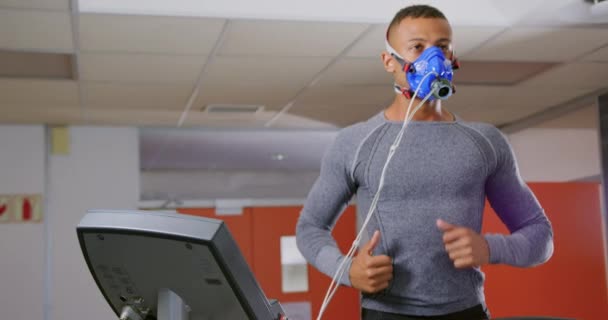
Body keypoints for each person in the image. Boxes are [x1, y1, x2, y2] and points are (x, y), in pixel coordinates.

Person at [295, 4, 554, 320]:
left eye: (442, 47)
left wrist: (490, 248)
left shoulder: (485, 142)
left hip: (466, 312)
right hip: (385, 313)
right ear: (389, 60)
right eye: (417, 47)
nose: (434, 59)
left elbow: (540, 235)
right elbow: (310, 228)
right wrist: (347, 271)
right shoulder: (355, 142)